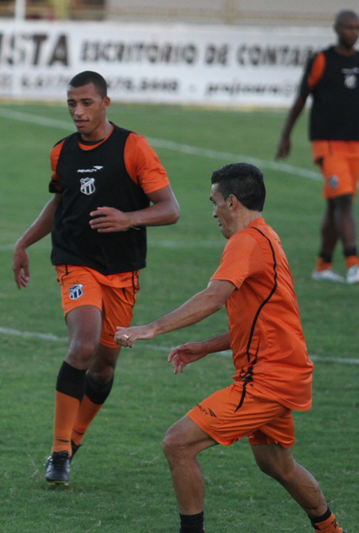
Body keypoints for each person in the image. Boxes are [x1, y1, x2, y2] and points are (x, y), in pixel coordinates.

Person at [114, 163, 347, 533]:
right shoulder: (267, 237)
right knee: (278, 466)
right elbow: (267, 322)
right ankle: (332, 530)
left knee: (178, 443)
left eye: (215, 202)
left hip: (266, 381)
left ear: (233, 202)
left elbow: (212, 298)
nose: (213, 212)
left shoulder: (247, 242)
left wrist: (151, 328)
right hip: (283, 375)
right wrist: (207, 346)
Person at [12, 70, 180, 485]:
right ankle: (57, 451)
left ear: (106, 103)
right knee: (83, 346)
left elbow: (170, 208)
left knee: (103, 369)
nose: (78, 111)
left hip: (122, 270)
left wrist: (129, 219)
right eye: (71, 103)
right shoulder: (61, 152)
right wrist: (24, 242)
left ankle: (73, 443)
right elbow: (60, 202)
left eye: (86, 102)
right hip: (75, 260)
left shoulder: (134, 148)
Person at [276, 10, 359, 284]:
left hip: (355, 146)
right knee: (344, 200)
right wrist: (286, 135)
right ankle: (353, 264)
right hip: (328, 144)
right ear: (336, 29)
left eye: (356, 28)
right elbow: (302, 98)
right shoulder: (322, 60)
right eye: (348, 28)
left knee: (335, 203)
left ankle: (323, 265)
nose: (353, 33)